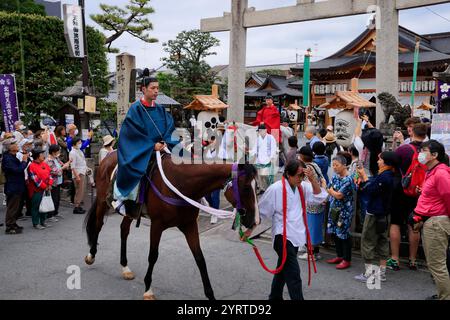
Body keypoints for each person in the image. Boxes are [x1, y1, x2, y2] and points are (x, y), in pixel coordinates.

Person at [246, 159, 328, 300]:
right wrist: (249, 230)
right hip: (282, 236)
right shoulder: (276, 189)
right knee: (294, 275)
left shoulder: (303, 186)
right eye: (298, 176)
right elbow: (262, 212)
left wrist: (312, 179)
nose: (301, 179)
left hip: (296, 235)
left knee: (283, 268)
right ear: (288, 174)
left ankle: (275, 296)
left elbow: (319, 196)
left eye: (303, 176)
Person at [113, 69, 179, 217]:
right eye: (153, 88)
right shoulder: (136, 109)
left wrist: (166, 142)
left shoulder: (161, 109)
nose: (156, 91)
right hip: (142, 150)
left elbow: (169, 127)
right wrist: (151, 146)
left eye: (157, 88)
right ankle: (125, 201)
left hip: (162, 148)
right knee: (136, 169)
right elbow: (132, 133)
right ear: (143, 89)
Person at [410, 140, 450, 300]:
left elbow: (448, 196)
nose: (420, 154)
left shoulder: (440, 173)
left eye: (424, 150)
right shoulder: (432, 171)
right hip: (431, 221)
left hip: (437, 223)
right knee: (436, 264)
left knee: (437, 265)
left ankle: (445, 296)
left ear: (434, 155)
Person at [388, 123, 429, 271]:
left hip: (400, 188)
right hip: (419, 191)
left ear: (411, 132)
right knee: (414, 224)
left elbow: (390, 160)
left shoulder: (404, 149)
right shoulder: (429, 150)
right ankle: (413, 260)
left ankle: (395, 259)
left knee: (396, 222)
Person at [354, 152, 399, 284]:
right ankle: (382, 273)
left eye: (380, 159)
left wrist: (363, 176)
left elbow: (371, 190)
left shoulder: (384, 177)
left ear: (386, 162)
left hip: (374, 213)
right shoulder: (389, 175)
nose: (378, 161)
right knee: (383, 241)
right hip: (385, 215)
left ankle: (369, 274)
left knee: (368, 241)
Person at [298, 146, 327, 261]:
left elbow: (305, 185)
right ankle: (316, 251)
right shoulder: (315, 165)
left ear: (302, 156)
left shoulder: (307, 168)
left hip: (311, 202)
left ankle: (311, 253)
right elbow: (323, 179)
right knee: (316, 227)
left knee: (310, 227)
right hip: (319, 198)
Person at [326, 154, 354, 270]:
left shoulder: (349, 179)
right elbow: (329, 189)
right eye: (333, 165)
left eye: (336, 165)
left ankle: (346, 259)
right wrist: (331, 191)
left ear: (344, 165)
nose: (334, 167)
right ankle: (339, 255)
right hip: (334, 209)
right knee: (335, 232)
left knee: (344, 234)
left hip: (344, 212)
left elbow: (338, 195)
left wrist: (331, 191)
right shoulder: (335, 176)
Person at [2, 140, 28, 234]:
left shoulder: (13, 156)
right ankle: (9, 227)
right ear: (10, 147)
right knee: (12, 207)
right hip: (13, 186)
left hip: (17, 185)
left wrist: (25, 159)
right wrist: (24, 162)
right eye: (14, 144)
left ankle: (13, 223)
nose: (17, 145)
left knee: (16, 207)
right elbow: (17, 170)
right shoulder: (8, 158)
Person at [28, 148, 53, 230]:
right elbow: (35, 179)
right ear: (37, 156)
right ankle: (36, 223)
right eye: (41, 154)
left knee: (44, 205)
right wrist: (45, 187)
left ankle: (43, 221)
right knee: (36, 206)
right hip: (36, 190)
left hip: (46, 188)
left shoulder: (45, 164)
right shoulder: (31, 166)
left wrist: (49, 184)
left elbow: (50, 174)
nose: (43, 155)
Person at [250, 124, 278, 194]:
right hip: (259, 159)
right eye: (258, 131)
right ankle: (262, 188)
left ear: (265, 131)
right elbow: (255, 148)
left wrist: (271, 158)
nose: (259, 132)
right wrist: (251, 152)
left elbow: (274, 148)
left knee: (267, 176)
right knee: (259, 175)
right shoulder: (258, 138)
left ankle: (269, 188)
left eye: (260, 131)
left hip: (268, 159)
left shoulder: (271, 138)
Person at [46, 144, 71, 221]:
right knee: (53, 199)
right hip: (52, 182)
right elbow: (56, 172)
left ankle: (55, 212)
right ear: (53, 152)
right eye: (58, 151)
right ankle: (50, 215)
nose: (59, 152)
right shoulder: (48, 161)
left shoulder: (56, 158)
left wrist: (66, 164)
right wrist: (63, 167)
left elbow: (62, 165)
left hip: (58, 182)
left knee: (57, 198)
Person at [69, 137, 87, 214]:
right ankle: (76, 206)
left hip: (82, 172)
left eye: (80, 142)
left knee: (81, 190)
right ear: (74, 144)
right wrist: (77, 176)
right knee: (79, 191)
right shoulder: (72, 152)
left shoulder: (79, 151)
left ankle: (78, 205)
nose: (80, 144)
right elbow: (72, 166)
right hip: (78, 173)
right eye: (78, 143)